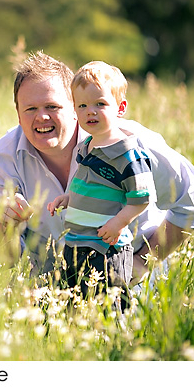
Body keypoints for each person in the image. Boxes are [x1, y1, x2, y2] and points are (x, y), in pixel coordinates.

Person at [0, 51, 194, 285]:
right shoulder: (2, 159)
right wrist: (6, 227)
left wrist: (140, 265)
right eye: (30, 109)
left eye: (52, 106)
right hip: (55, 296)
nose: (41, 117)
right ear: (18, 115)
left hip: (131, 289)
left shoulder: (129, 143)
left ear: (74, 109)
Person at [46, 61, 156, 296]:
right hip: (76, 242)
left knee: (107, 303)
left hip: (107, 246)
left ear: (120, 107)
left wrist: (118, 223)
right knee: (74, 301)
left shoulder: (128, 153)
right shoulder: (87, 146)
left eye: (100, 104)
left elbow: (142, 198)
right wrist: (68, 198)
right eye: (82, 105)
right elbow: (88, 184)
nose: (90, 111)